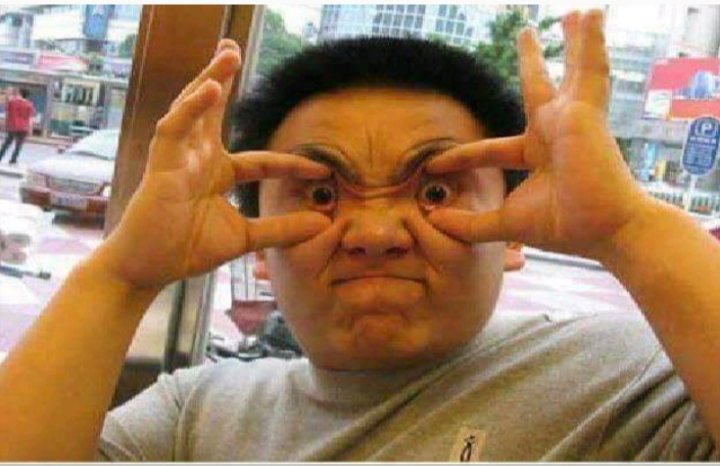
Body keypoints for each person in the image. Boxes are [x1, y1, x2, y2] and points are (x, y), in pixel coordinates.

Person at [1, 9, 720, 461]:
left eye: (434, 190)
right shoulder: (193, 418)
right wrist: (120, 277)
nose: (375, 233)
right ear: (261, 244)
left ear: (511, 234)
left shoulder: (629, 381)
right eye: (321, 194)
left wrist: (630, 227)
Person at [0, 88, 35, 165]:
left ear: (20, 93)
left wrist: (5, 123)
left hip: (13, 127)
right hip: (24, 128)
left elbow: (7, 112)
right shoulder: (30, 105)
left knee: (6, 143)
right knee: (19, 145)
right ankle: (13, 160)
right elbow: (30, 118)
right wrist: (30, 129)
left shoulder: (12, 102)